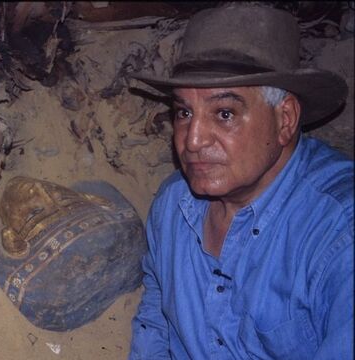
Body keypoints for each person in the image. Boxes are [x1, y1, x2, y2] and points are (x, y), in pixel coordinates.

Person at [127, 4, 353, 359]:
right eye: (184, 112)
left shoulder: (338, 232)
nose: (192, 140)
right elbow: (156, 319)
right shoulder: (172, 208)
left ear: (286, 119)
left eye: (224, 113)